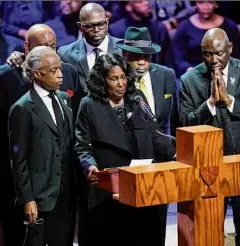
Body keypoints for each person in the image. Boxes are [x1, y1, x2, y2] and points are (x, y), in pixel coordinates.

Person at [0, 23, 79, 246]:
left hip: (61, 183)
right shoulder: (5, 77)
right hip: (20, 181)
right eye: (44, 46)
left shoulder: (68, 73)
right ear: (27, 46)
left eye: (54, 46)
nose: (50, 52)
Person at [179, 28, 240, 246]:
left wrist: (229, 101)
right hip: (208, 165)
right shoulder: (189, 79)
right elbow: (185, 123)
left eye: (219, 53)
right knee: (210, 232)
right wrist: (210, 103)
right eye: (208, 54)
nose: (214, 60)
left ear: (230, 48)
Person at [75, 53, 175, 246]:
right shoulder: (89, 105)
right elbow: (82, 145)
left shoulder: (136, 98)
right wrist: (90, 166)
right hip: (108, 191)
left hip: (141, 186)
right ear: (102, 80)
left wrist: (175, 153)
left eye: (123, 77)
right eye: (114, 78)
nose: (121, 83)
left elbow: (155, 134)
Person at [8, 46, 76, 246]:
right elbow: (18, 159)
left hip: (66, 193)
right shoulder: (23, 107)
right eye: (54, 71)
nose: (60, 75)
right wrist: (27, 199)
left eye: (60, 69)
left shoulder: (63, 100)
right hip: (41, 197)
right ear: (37, 74)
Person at [57, 2, 121, 92]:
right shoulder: (65, 54)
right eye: (90, 26)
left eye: (101, 24)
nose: (97, 30)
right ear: (80, 26)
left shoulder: (123, 50)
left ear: (107, 22)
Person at [173, 0, 240, 77]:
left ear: (216, 4)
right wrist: (189, 69)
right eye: (201, 2)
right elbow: (179, 59)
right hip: (193, 75)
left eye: (210, 2)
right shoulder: (184, 27)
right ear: (195, 3)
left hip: (223, 75)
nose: (206, 7)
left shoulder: (229, 26)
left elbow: (237, 57)